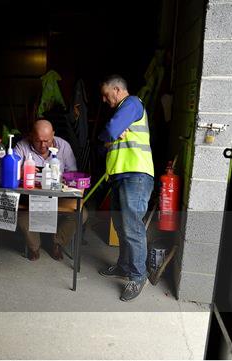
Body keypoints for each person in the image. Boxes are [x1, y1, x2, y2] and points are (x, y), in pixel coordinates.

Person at [97, 74, 154, 302]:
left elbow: (110, 131)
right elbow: (105, 146)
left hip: (136, 176)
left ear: (118, 90)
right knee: (121, 226)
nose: (103, 99)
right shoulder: (122, 113)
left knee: (132, 228)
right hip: (121, 177)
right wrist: (108, 139)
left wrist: (107, 135)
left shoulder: (131, 104)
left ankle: (138, 276)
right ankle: (123, 266)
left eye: (105, 94)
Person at [14, 119, 87, 261]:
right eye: (38, 141)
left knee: (81, 214)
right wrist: (20, 173)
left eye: (47, 141)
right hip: (30, 199)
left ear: (53, 134)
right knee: (21, 218)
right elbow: (11, 170)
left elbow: (72, 174)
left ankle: (57, 242)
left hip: (59, 198)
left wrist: (61, 180)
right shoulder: (22, 146)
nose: (43, 145)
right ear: (30, 136)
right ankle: (34, 246)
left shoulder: (64, 146)